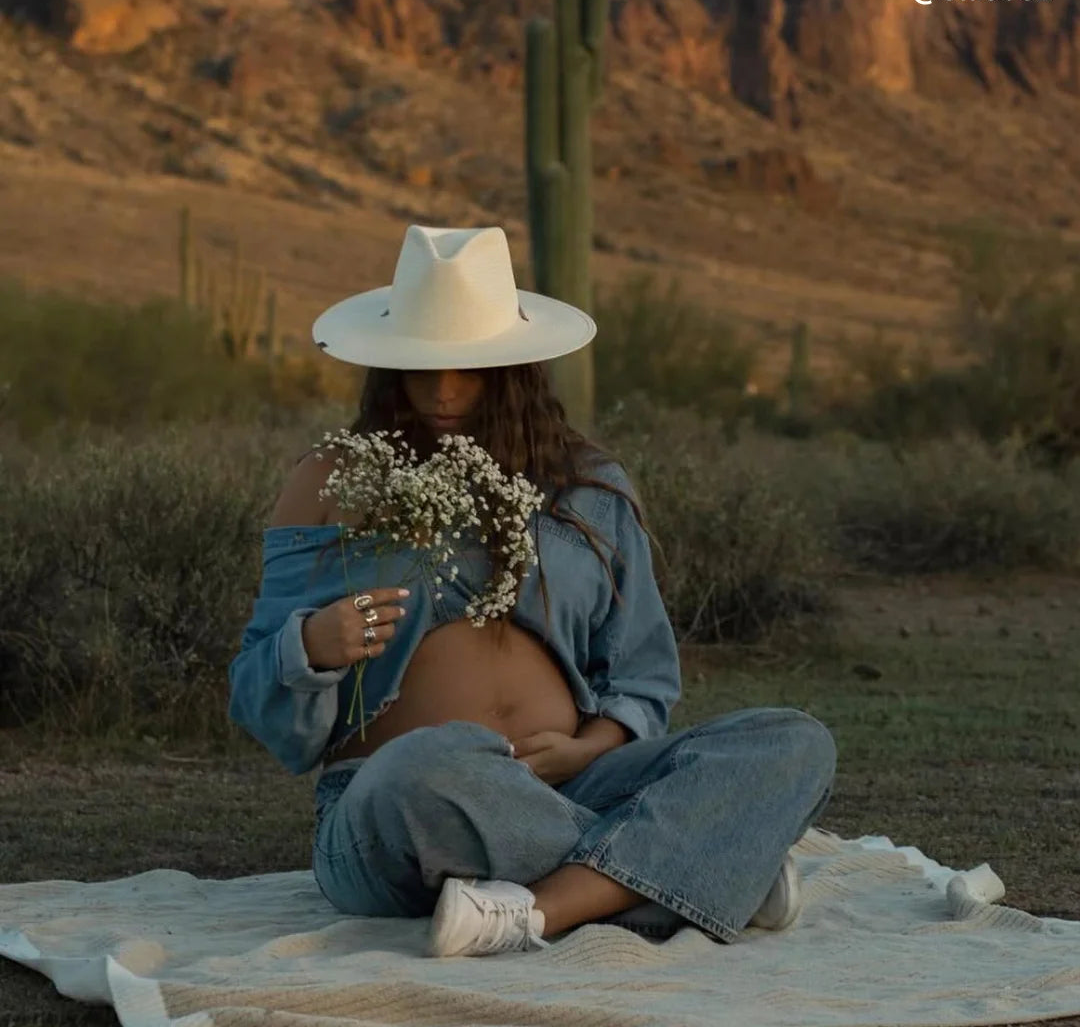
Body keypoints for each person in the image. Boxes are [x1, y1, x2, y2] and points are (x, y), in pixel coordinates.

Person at [227, 224, 836, 958]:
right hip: (398, 804)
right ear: (387, 369)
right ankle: (693, 872)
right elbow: (258, 697)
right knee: (429, 764)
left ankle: (540, 910)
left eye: (469, 367)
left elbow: (641, 674)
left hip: (575, 786)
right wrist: (312, 647)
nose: (443, 390)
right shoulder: (332, 481)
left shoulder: (589, 488)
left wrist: (589, 750)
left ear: (515, 368)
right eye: (421, 367)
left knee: (792, 741)